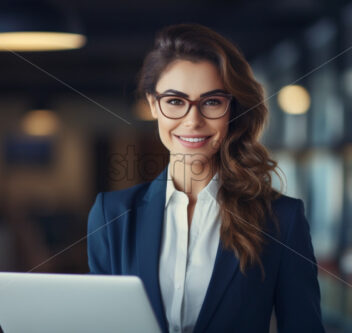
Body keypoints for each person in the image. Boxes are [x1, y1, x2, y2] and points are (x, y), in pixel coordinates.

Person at [87, 23, 325, 333]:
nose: (193, 120)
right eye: (175, 101)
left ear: (232, 109)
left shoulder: (281, 220)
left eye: (212, 102)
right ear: (152, 105)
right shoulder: (111, 215)